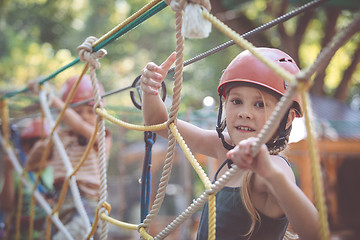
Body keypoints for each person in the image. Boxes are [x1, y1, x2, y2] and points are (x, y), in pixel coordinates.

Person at [140, 48, 320, 240]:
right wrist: (150, 90)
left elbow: (316, 233)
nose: (244, 112)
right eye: (236, 101)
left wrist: (272, 175)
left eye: (259, 104)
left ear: (287, 118)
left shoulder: (273, 166)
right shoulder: (223, 147)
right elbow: (157, 123)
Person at [27, 75, 112, 239]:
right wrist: (41, 147)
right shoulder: (59, 137)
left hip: (87, 202)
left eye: (90, 111)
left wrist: (52, 100)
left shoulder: (100, 135)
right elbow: (30, 165)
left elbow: (78, 125)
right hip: (61, 202)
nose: (85, 116)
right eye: (78, 111)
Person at [0, 119, 54, 240]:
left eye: (47, 147)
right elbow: (6, 205)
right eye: (34, 145)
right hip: (19, 234)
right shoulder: (17, 172)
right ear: (25, 147)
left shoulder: (56, 171)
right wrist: (8, 172)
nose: (40, 151)